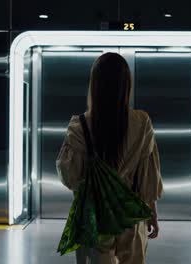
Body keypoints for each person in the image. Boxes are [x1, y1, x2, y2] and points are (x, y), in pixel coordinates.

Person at [56, 52, 163, 264]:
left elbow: (70, 176)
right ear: (126, 85)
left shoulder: (80, 125)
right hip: (131, 217)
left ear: (94, 85)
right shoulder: (142, 122)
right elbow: (148, 176)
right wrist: (152, 213)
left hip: (94, 218)